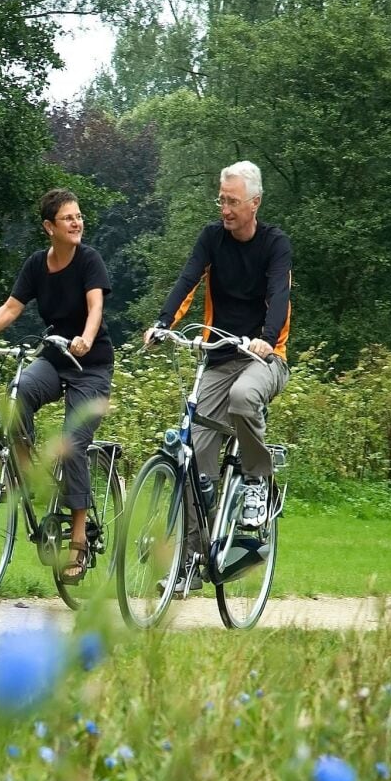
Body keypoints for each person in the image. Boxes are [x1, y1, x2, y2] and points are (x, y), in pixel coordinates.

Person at [144, 160, 291, 593]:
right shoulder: (211, 238)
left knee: (245, 399)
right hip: (217, 358)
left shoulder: (275, 244)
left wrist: (266, 340)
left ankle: (256, 480)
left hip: (263, 360)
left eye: (232, 201)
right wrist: (163, 321)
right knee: (195, 459)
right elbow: (188, 279)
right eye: (221, 200)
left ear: (254, 203)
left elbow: (279, 295)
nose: (224, 209)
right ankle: (189, 562)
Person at [0, 188, 113, 583]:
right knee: (15, 396)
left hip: (90, 365)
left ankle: (78, 540)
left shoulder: (89, 261)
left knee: (71, 443)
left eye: (79, 216)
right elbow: (13, 306)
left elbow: (95, 306)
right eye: (69, 218)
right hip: (54, 358)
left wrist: (85, 337)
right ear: (49, 227)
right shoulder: (37, 265)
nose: (77, 223)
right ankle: (29, 472)